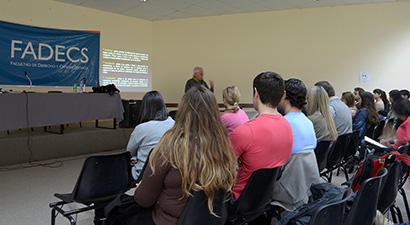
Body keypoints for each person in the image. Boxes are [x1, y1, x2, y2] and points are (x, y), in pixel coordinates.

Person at [133, 86, 237, 224]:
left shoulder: (169, 147)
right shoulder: (225, 149)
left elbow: (144, 200)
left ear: (183, 112)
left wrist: (141, 188)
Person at [229, 71, 293, 201]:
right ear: (283, 95)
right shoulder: (288, 127)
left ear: (256, 93)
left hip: (238, 199)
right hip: (267, 197)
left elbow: (220, 168)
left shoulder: (244, 132)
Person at [271, 79, 320, 211]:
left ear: (284, 95)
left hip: (287, 189)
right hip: (306, 187)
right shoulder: (308, 123)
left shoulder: (282, 124)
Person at [126, 91, 175, 180]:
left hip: (145, 175)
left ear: (144, 109)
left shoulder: (141, 128)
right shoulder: (174, 124)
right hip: (170, 173)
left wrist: (135, 157)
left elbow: (129, 152)